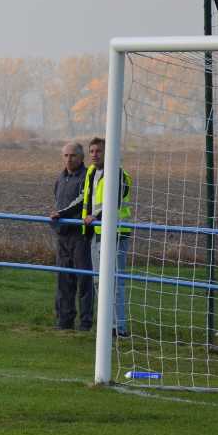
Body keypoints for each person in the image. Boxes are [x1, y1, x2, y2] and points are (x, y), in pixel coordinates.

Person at [81, 136, 133, 338]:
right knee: (98, 280)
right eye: (92, 151)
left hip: (117, 234)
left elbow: (115, 201)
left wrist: (96, 216)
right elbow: (85, 199)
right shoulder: (92, 173)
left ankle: (119, 328)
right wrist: (63, 212)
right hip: (96, 233)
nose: (94, 155)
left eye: (99, 151)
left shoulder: (118, 174)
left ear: (108, 153)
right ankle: (105, 325)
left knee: (116, 281)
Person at [49, 141, 93, 331]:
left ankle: (85, 322)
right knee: (63, 279)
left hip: (80, 237)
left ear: (81, 157)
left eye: (73, 155)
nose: (69, 159)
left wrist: (63, 215)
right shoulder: (61, 178)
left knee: (84, 280)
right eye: (66, 155)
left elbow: (82, 202)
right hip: (62, 237)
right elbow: (57, 201)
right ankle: (64, 320)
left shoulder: (86, 177)